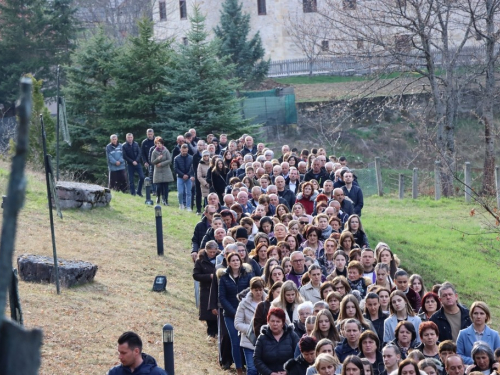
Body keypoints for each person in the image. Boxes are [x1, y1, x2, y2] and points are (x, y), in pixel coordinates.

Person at [218, 252, 254, 375]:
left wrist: (244, 310)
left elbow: (251, 291)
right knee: (235, 340)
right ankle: (238, 368)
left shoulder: (248, 275)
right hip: (230, 314)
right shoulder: (224, 277)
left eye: (237, 260)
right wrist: (234, 312)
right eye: (232, 260)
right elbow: (222, 298)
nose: (235, 262)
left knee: (248, 339)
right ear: (229, 263)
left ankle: (249, 365)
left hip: (246, 312)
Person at [254, 307, 300, 375]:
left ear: (283, 323)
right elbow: (256, 359)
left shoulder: (292, 335)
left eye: (278, 321)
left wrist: (288, 371)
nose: (275, 324)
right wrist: (270, 373)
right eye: (272, 321)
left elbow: (299, 357)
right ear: (268, 322)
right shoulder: (262, 337)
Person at [235, 277, 267, 375]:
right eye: (256, 290)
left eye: (260, 290)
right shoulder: (244, 304)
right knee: (252, 369)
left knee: (263, 370)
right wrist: (251, 329)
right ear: (251, 290)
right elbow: (237, 323)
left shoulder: (269, 303)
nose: (258, 292)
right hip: (249, 341)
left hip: (265, 341)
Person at [193, 240, 219, 338]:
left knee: (217, 311)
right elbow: (196, 275)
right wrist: (209, 276)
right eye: (210, 252)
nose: (212, 254)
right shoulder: (200, 260)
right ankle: (211, 333)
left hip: (217, 289)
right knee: (208, 313)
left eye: (214, 252)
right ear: (206, 250)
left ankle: (217, 333)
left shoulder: (220, 258)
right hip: (206, 289)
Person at [151, 137, 174, 205]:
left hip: (166, 170)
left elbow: (169, 160)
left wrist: (161, 164)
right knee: (159, 186)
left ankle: (165, 199)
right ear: (155, 144)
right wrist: (158, 159)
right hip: (158, 171)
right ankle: (158, 197)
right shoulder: (154, 152)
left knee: (165, 186)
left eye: (160, 143)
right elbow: (152, 162)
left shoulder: (166, 151)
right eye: (157, 143)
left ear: (162, 144)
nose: (159, 145)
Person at [174, 144, 194, 211]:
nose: (184, 152)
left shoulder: (191, 158)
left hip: (188, 177)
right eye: (183, 151)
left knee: (188, 192)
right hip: (180, 177)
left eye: (185, 151)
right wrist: (182, 175)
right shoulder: (176, 158)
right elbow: (175, 169)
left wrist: (188, 175)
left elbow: (192, 168)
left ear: (187, 150)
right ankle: (181, 204)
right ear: (180, 150)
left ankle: (188, 206)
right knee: (180, 192)